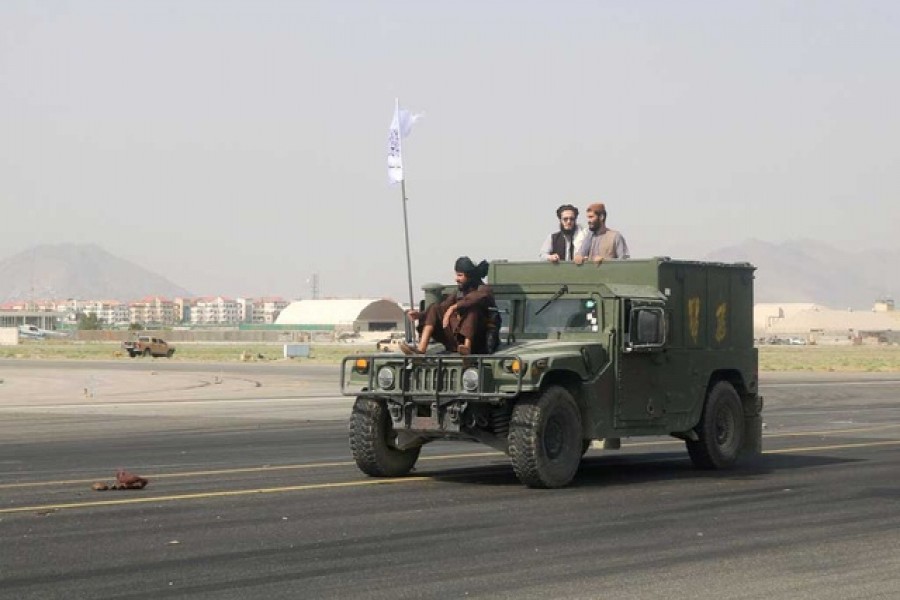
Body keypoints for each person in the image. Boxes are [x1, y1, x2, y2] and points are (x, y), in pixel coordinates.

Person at [400, 256, 496, 355]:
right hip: (457, 341)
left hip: (479, 342)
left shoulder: (484, 289)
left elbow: (472, 299)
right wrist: (420, 315)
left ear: (469, 276)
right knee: (434, 308)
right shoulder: (459, 292)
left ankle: (467, 348)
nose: (456, 279)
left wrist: (453, 308)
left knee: (472, 310)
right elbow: (443, 307)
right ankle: (421, 349)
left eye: (460, 275)